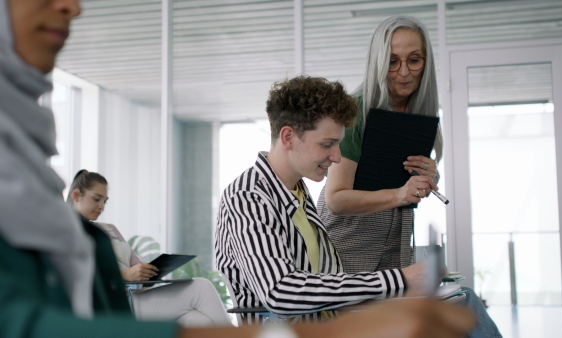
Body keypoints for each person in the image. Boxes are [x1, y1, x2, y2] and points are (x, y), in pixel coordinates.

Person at [0, 0, 476, 337]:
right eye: (328, 145)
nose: (335, 159)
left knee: (462, 313)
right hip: (295, 325)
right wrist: (395, 286)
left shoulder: (297, 201)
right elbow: (282, 292)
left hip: (324, 318)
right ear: (289, 137)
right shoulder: (250, 195)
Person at [317, 15, 442, 274]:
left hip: (397, 237)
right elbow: (336, 200)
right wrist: (399, 194)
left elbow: (405, 185)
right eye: (392, 61)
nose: (405, 72)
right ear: (378, 62)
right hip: (348, 242)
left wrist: (428, 177)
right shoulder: (355, 111)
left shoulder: (419, 111)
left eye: (415, 60)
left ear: (426, 63)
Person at [67, 169, 232, 327]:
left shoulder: (109, 229)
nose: (101, 206)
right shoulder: (67, 234)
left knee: (198, 321)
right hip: (113, 305)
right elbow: (76, 276)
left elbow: (137, 267)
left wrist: (149, 271)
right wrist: (124, 275)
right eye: (96, 199)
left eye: (105, 201)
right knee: (201, 287)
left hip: (137, 297)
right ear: (76, 196)